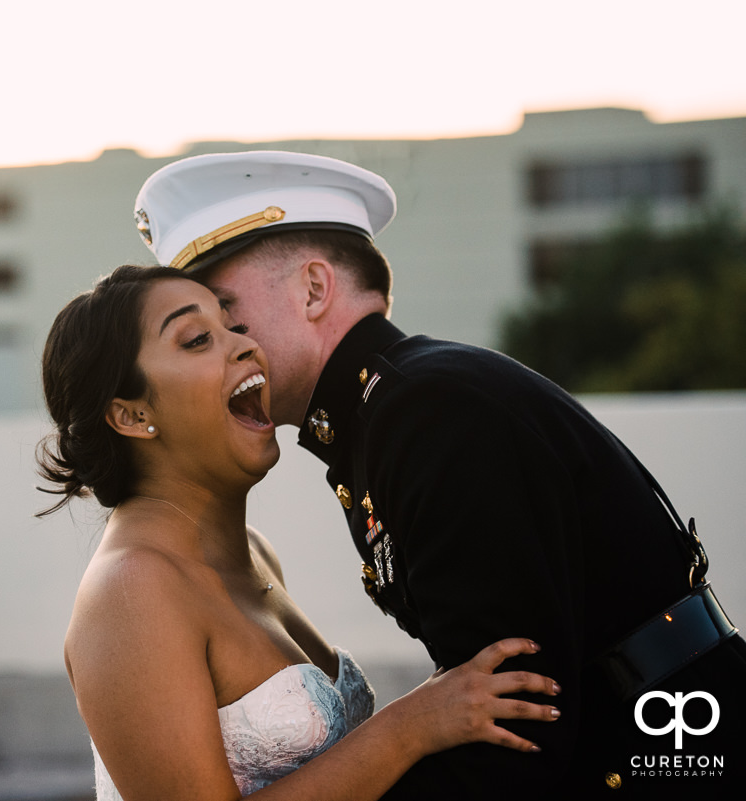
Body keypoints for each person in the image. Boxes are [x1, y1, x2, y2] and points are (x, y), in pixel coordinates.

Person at [130, 150, 746, 799]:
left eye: (227, 310)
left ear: (314, 289)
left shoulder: (428, 413)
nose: (226, 343)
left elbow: (512, 734)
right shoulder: (390, 412)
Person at [38, 264, 562, 800]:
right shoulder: (130, 590)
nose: (246, 347)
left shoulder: (254, 553)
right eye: (197, 339)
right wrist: (412, 725)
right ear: (130, 414)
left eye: (234, 328)